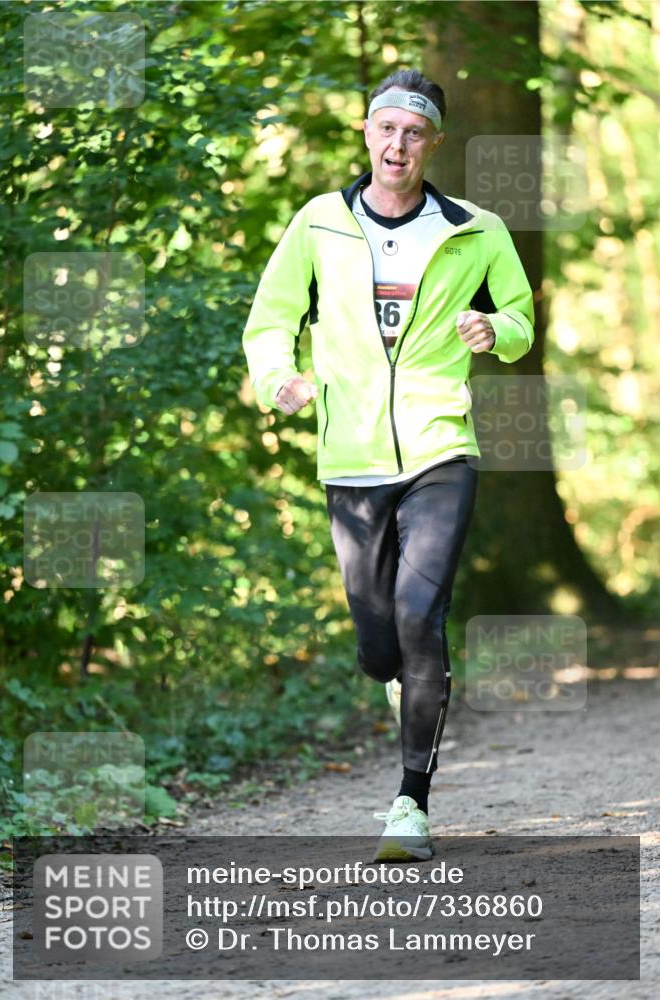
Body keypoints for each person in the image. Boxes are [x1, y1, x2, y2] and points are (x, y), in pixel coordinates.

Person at [242, 68, 534, 861]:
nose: (397, 144)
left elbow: (519, 317)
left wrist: (494, 334)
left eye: (414, 132)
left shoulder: (476, 229)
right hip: (351, 457)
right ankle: (404, 676)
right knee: (379, 647)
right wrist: (281, 380)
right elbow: (269, 321)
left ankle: (410, 803)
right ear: (367, 135)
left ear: (431, 142)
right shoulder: (318, 223)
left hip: (441, 448)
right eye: (386, 129)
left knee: (418, 616)